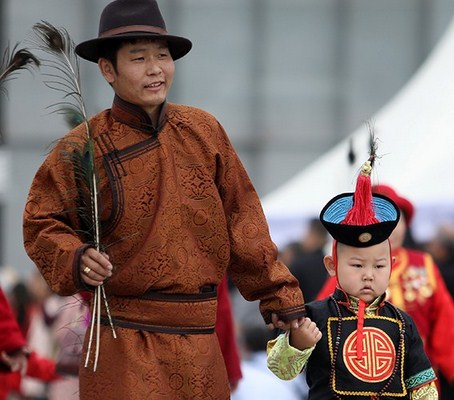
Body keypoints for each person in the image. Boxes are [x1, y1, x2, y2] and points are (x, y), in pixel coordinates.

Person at [22, 1, 305, 398]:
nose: (156, 68)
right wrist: (76, 256)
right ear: (108, 69)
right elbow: (41, 223)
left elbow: (244, 219)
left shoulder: (204, 132)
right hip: (122, 346)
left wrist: (280, 298)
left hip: (200, 345)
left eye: (163, 55)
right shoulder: (82, 147)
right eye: (139, 58)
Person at [267, 155, 438, 398]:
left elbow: (423, 387)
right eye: (357, 266)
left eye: (379, 267)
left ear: (392, 265)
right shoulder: (313, 316)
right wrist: (297, 342)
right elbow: (281, 370)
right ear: (331, 265)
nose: (368, 276)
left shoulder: (403, 323)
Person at [317, 184, 454, 398]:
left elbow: (445, 318)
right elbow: (325, 317)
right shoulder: (348, 267)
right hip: (360, 374)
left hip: (418, 369)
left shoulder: (423, 264)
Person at [290, 219, 331, 303]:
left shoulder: (298, 265)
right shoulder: (331, 265)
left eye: (307, 234)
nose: (304, 238)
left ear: (315, 236)